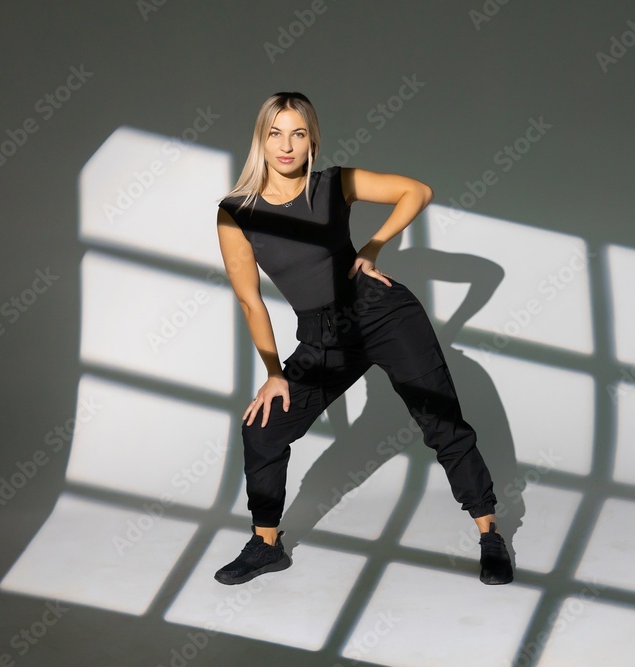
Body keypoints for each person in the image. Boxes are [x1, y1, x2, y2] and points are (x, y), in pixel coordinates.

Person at [212, 91, 512, 586]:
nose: (286, 145)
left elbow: (418, 191)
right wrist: (272, 375)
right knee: (262, 429)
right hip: (323, 338)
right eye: (275, 133)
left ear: (312, 141)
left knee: (441, 425)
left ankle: (490, 533)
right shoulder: (235, 214)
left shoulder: (335, 183)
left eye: (298, 134)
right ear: (261, 140)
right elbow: (251, 302)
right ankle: (266, 545)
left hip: (384, 315)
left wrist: (373, 246)